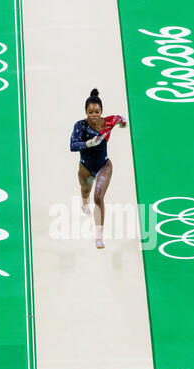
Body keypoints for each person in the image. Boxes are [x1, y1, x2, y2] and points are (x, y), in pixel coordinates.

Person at [70, 88, 128, 249]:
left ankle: (98, 237)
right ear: (86, 112)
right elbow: (72, 145)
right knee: (86, 191)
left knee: (98, 198)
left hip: (104, 165)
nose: (94, 115)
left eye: (97, 111)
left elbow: (120, 119)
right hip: (85, 167)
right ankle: (84, 202)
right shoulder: (80, 126)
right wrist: (89, 143)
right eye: (90, 112)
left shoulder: (108, 121)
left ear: (101, 111)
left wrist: (123, 123)